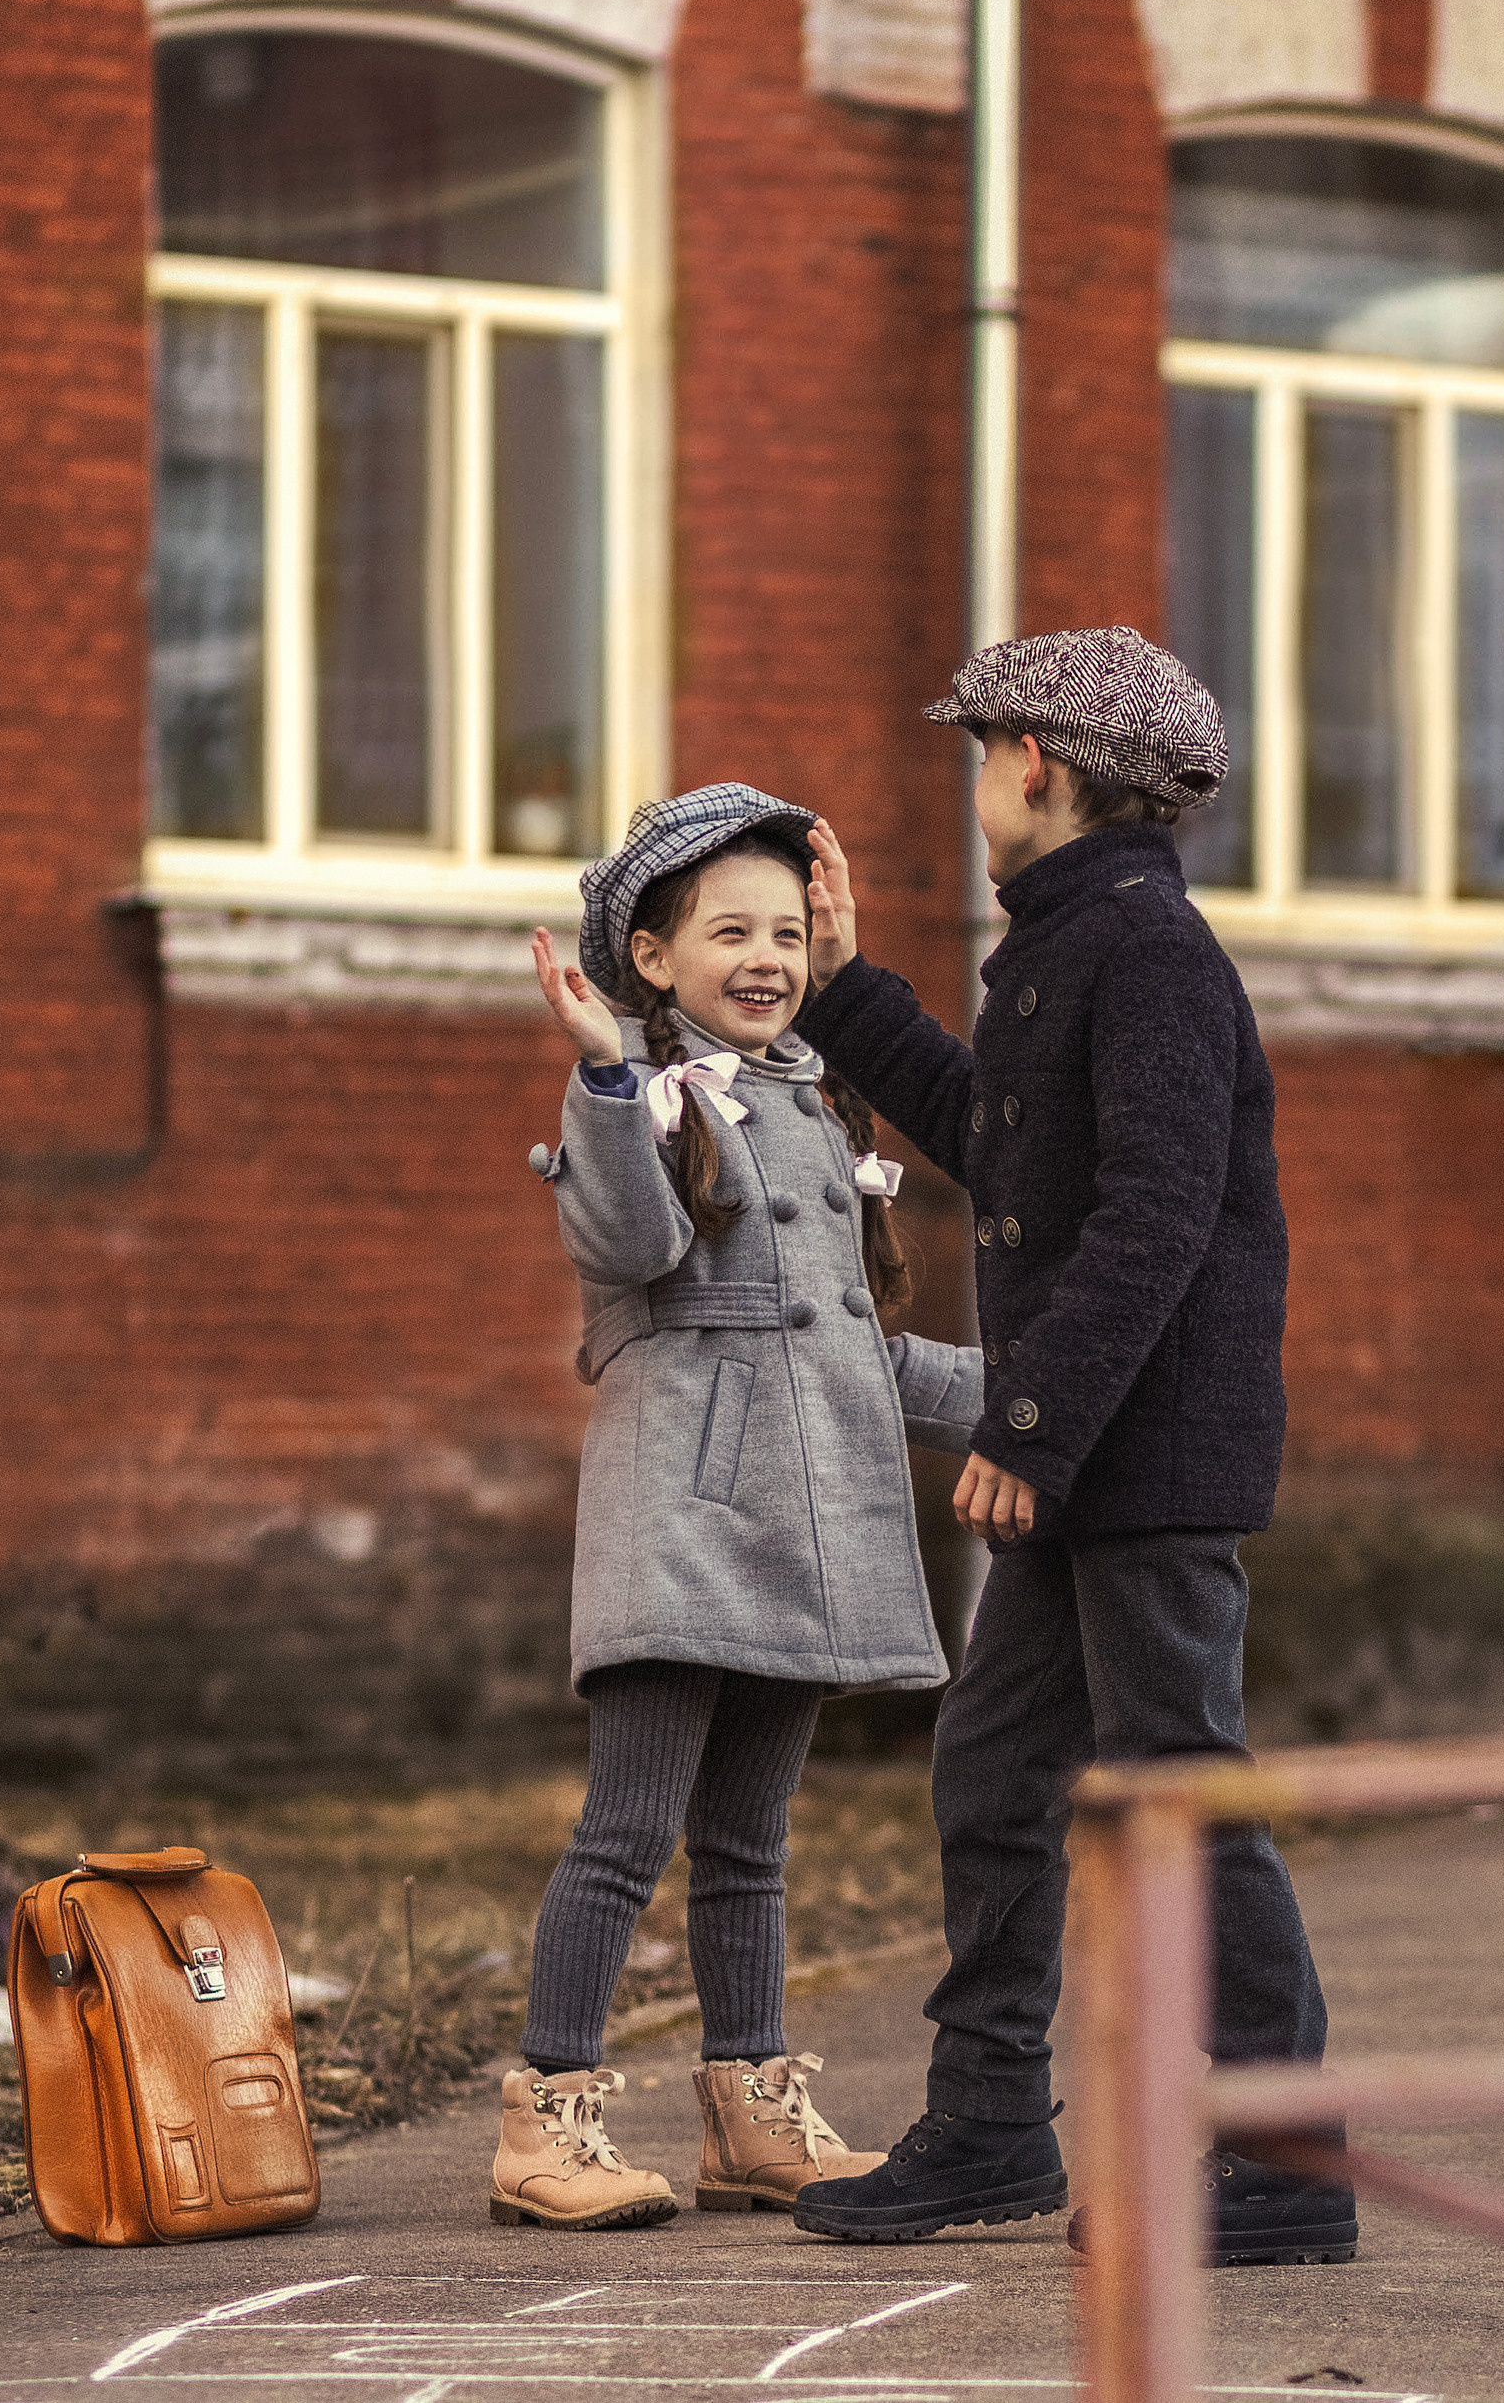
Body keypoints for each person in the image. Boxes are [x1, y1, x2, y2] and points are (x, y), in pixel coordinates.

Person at [789, 630, 1354, 2267]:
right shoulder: (1074, 949)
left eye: (981, 754)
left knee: (1184, 1782)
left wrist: (1028, 1427)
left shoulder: (1149, 956)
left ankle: (1287, 2160)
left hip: (1143, 1452)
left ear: (1033, 759)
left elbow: (1158, 1217)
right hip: (1094, 1449)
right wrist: (844, 994)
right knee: (996, 1765)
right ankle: (984, 2124)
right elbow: (998, 1141)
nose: (977, 785)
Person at [494, 781, 982, 2232]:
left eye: (786, 929)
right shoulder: (640, 1097)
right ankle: (550, 2116)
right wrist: (595, 1076)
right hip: (682, 1522)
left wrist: (1039, 1395)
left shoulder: (818, 1098)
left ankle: (749, 2110)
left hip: (803, 1527)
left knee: (753, 1842)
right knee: (626, 1830)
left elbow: (858, 1346)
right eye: (729, 931)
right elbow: (632, 1241)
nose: (764, 956)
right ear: (653, 956)